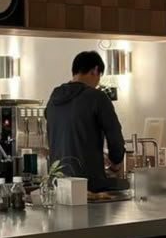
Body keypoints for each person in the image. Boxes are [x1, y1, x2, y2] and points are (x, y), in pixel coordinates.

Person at [45, 50, 126, 192]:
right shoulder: (97, 98)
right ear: (95, 70)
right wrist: (116, 163)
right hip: (88, 184)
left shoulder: (53, 99)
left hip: (57, 184)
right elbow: (115, 137)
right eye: (99, 76)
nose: (97, 82)